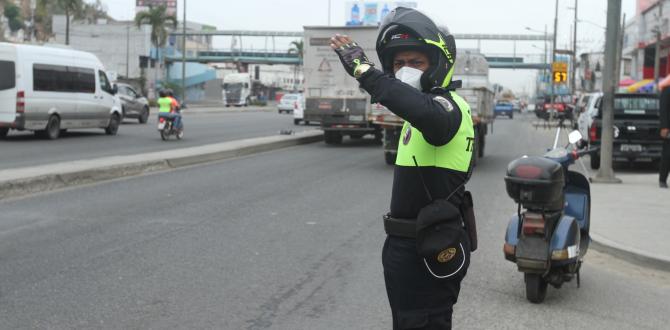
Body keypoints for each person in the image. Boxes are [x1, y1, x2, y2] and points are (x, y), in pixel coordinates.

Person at [331, 7, 475, 329]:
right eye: (398, 64)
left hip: (428, 246)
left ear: (437, 65)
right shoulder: (418, 115)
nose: (405, 70)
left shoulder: (447, 109)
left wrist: (365, 72)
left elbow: (425, 112)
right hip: (407, 247)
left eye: (416, 63)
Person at [660, 86, 670, 188]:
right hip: (669, 128)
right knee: (667, 155)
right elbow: (663, 110)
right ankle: (662, 179)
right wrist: (664, 126)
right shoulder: (667, 91)